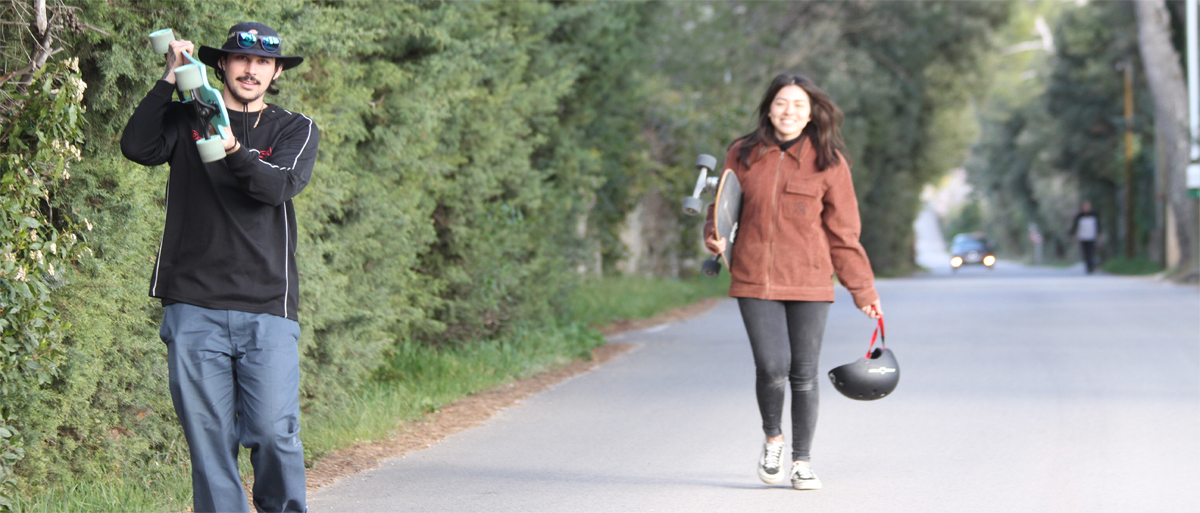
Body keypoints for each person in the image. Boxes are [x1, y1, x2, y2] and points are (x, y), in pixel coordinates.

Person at [120, 22, 317, 513]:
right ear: (222, 66)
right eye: (241, 59)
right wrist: (169, 79)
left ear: (274, 72)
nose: (252, 70)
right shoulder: (191, 116)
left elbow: (275, 187)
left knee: (274, 433)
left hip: (267, 305)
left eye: (263, 63)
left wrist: (229, 148)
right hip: (193, 303)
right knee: (209, 446)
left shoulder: (295, 127)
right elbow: (137, 147)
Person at [703, 74, 881, 491]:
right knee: (770, 367)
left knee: (803, 373)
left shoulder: (830, 162)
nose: (789, 112)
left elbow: (843, 233)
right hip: (753, 277)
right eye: (782, 103)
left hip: (810, 280)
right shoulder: (743, 153)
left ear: (811, 113)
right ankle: (773, 439)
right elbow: (723, 210)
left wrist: (863, 290)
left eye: (799, 106)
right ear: (769, 108)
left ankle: (802, 460)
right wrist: (712, 237)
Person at [1069, 201, 1100, 274]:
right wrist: (1071, 234)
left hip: (1092, 237)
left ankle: (1092, 266)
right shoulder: (1079, 216)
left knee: (1091, 252)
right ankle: (1088, 267)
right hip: (1083, 237)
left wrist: (1099, 234)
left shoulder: (1094, 214)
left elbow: (1098, 225)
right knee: (1085, 253)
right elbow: (1075, 226)